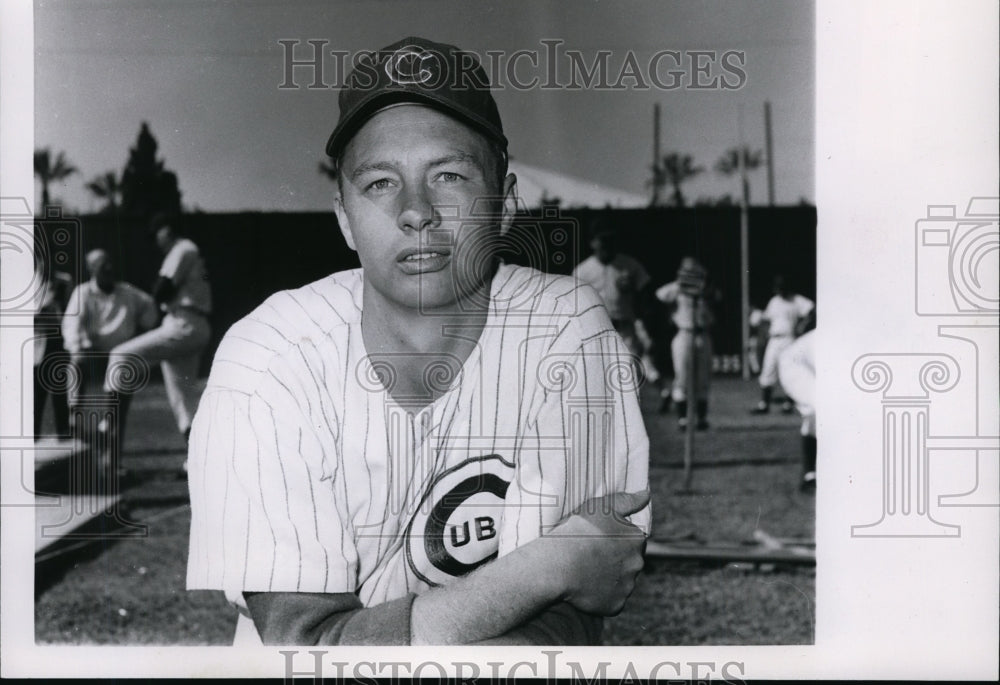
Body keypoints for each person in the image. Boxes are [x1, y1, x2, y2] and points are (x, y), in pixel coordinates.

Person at [186, 36, 650, 646]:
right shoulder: (270, 355)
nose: (416, 211)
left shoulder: (567, 330)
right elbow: (306, 645)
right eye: (380, 183)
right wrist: (547, 566)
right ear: (345, 218)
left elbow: (579, 606)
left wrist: (557, 580)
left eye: (450, 175)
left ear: (505, 204)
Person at [106, 212, 212, 465]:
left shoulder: (182, 247)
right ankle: (198, 462)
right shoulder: (186, 250)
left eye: (159, 231)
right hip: (188, 322)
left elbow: (162, 289)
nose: (156, 238)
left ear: (169, 229)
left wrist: (152, 299)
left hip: (184, 323)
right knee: (183, 402)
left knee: (120, 355)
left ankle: (106, 425)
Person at [61, 249, 158, 476]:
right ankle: (74, 415)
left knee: (118, 407)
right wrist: (80, 349)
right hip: (92, 355)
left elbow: (151, 311)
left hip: (120, 357)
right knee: (76, 362)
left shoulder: (129, 292)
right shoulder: (82, 293)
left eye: (110, 264)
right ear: (91, 269)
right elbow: (71, 326)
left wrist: (143, 332)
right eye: (102, 265)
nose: (109, 269)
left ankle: (112, 461)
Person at [572, 221, 654, 368]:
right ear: (592, 243)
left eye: (610, 239)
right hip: (595, 331)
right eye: (602, 240)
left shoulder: (629, 265)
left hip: (625, 328)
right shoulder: (582, 271)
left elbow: (645, 294)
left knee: (628, 375)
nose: (606, 244)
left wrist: (643, 328)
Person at [655, 257, 718, 430]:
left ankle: (702, 419)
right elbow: (660, 296)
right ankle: (683, 418)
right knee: (682, 376)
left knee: (703, 378)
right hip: (684, 333)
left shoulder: (705, 288)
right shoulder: (675, 288)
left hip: (703, 334)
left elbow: (715, 299)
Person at [750, 275, 814, 415]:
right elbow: (768, 318)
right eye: (778, 287)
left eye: (782, 287)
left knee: (788, 371)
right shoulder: (775, 301)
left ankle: (788, 404)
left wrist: (802, 325)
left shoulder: (796, 300)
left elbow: (811, 309)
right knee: (768, 369)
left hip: (789, 339)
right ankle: (764, 404)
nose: (780, 290)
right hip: (774, 339)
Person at [33, 251, 73, 440]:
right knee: (36, 391)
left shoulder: (63, 281)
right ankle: (33, 435)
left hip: (57, 338)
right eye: (42, 260)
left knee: (59, 388)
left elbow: (71, 311)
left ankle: (63, 433)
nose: (46, 265)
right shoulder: (28, 284)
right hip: (35, 340)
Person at [778, 326, 816, 492]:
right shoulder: (827, 339)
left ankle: (812, 474)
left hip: (811, 365)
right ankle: (810, 475)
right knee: (819, 409)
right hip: (795, 365)